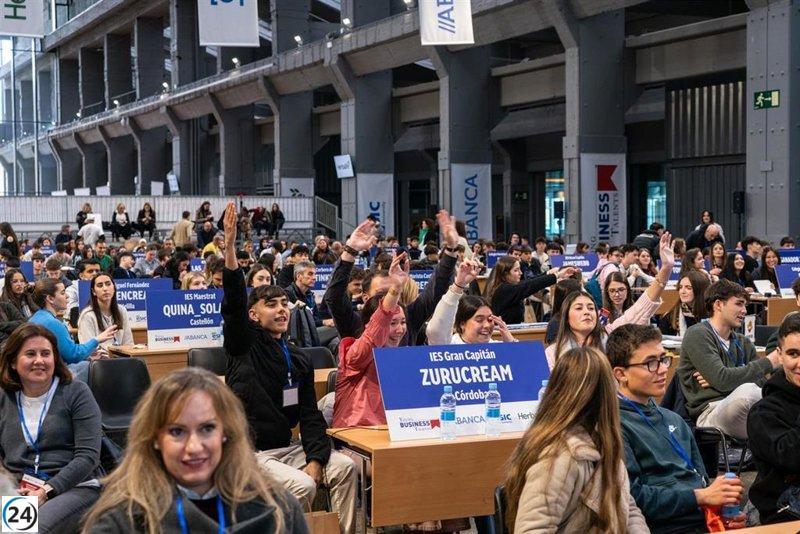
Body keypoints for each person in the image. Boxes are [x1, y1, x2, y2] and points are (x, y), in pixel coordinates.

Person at [219, 203, 356, 534]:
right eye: (271, 305)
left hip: (289, 448)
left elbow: (309, 414)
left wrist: (316, 457)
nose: (281, 310)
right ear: (254, 315)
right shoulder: (243, 345)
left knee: (346, 467)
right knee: (305, 487)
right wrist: (230, 247)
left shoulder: (299, 358)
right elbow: (235, 303)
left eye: (284, 304)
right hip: (250, 453)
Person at [82, 367, 308, 533]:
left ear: (225, 433)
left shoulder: (279, 509)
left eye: (207, 428)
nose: (194, 447)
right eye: (177, 432)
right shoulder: (119, 522)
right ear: (155, 439)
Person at [607, 324, 745, 533]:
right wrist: (702, 497)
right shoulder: (613, 425)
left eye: (663, 359)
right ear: (620, 374)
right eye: (650, 363)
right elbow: (631, 498)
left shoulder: (675, 420)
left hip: (701, 522)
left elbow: (700, 482)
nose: (663, 369)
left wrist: (719, 509)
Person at [503, 347, 649, 533]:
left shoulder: (601, 442)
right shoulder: (560, 456)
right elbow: (532, 529)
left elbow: (628, 507)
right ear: (605, 397)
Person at [0, 323, 103, 533]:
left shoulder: (76, 392)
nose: (39, 360)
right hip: (19, 488)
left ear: (55, 359)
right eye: (30, 354)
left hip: (72, 486)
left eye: (45, 353)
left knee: (26, 530)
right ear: (12, 362)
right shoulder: (4, 397)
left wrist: (45, 491)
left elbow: (88, 457)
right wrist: (9, 487)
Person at [324, 213, 458, 347]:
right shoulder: (355, 322)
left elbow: (436, 289)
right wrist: (350, 251)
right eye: (383, 292)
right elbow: (334, 297)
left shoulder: (407, 316)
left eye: (394, 290)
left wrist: (451, 249)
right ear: (365, 297)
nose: (391, 295)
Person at [547, 233, 675, 369]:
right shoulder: (553, 352)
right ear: (566, 316)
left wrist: (666, 269)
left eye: (590, 308)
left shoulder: (609, 334)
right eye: (579, 308)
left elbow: (642, 306)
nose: (586, 312)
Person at [677, 279, 780, 439]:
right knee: (748, 393)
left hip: (748, 409)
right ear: (718, 304)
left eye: (745, 305)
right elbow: (723, 380)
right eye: (739, 304)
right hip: (710, 411)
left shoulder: (744, 342)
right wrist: (769, 362)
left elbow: (761, 384)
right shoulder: (698, 334)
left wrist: (723, 379)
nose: (744, 310)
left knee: (778, 402)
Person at [332, 253, 410, 428]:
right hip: (355, 435)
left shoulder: (402, 357)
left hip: (395, 432)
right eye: (392, 323)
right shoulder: (356, 354)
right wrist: (395, 289)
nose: (399, 330)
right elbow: (378, 326)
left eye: (403, 322)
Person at [747, 312, 800, 525]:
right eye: (794, 354)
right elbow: (793, 457)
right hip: (783, 508)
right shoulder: (763, 413)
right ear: (780, 355)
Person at [29, 279, 117, 382]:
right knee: (96, 367)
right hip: (53, 376)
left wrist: (87, 355)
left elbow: (67, 352)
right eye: (63, 293)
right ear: (50, 298)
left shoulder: (37, 317)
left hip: (45, 371)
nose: (67, 296)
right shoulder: (52, 323)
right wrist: (97, 339)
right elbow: (73, 355)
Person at [426, 260, 517, 345]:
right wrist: (458, 285)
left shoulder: (498, 346)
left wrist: (511, 345)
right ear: (462, 324)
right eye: (479, 320)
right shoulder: (449, 346)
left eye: (490, 320)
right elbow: (436, 331)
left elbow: (523, 359)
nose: (486, 325)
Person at [484, 257, 574, 325]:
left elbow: (528, 282)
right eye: (516, 270)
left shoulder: (505, 287)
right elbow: (529, 285)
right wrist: (556, 275)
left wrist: (548, 273)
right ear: (505, 274)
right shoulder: (504, 289)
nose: (521, 273)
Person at [77, 274, 133, 348]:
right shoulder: (87, 315)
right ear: (93, 291)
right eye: (100, 285)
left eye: (108, 284)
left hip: (121, 356)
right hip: (98, 358)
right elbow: (88, 348)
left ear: (114, 287)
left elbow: (128, 342)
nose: (105, 288)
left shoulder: (121, 310)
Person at [658, 271, 709, 337]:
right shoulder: (672, 315)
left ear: (699, 290)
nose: (682, 291)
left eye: (688, 288)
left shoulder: (711, 313)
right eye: (680, 287)